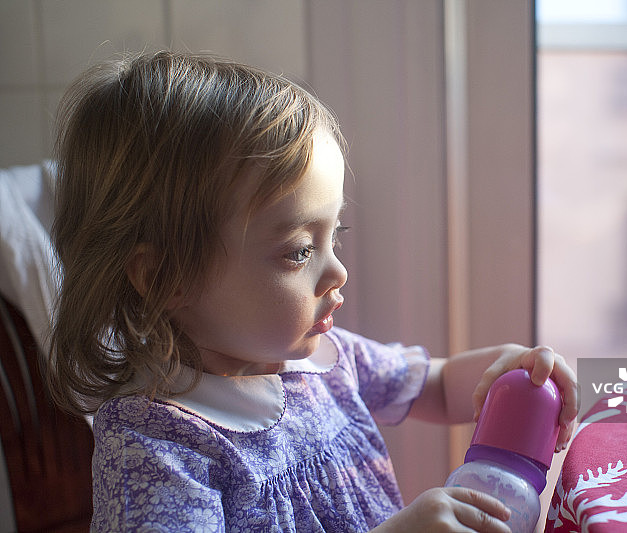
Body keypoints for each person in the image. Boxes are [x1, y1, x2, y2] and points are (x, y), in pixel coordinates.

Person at [47, 50, 578, 532]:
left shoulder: (325, 363)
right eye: (299, 251)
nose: (338, 271)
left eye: (335, 236)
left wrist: (511, 371)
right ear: (165, 277)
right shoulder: (157, 445)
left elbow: (433, 386)